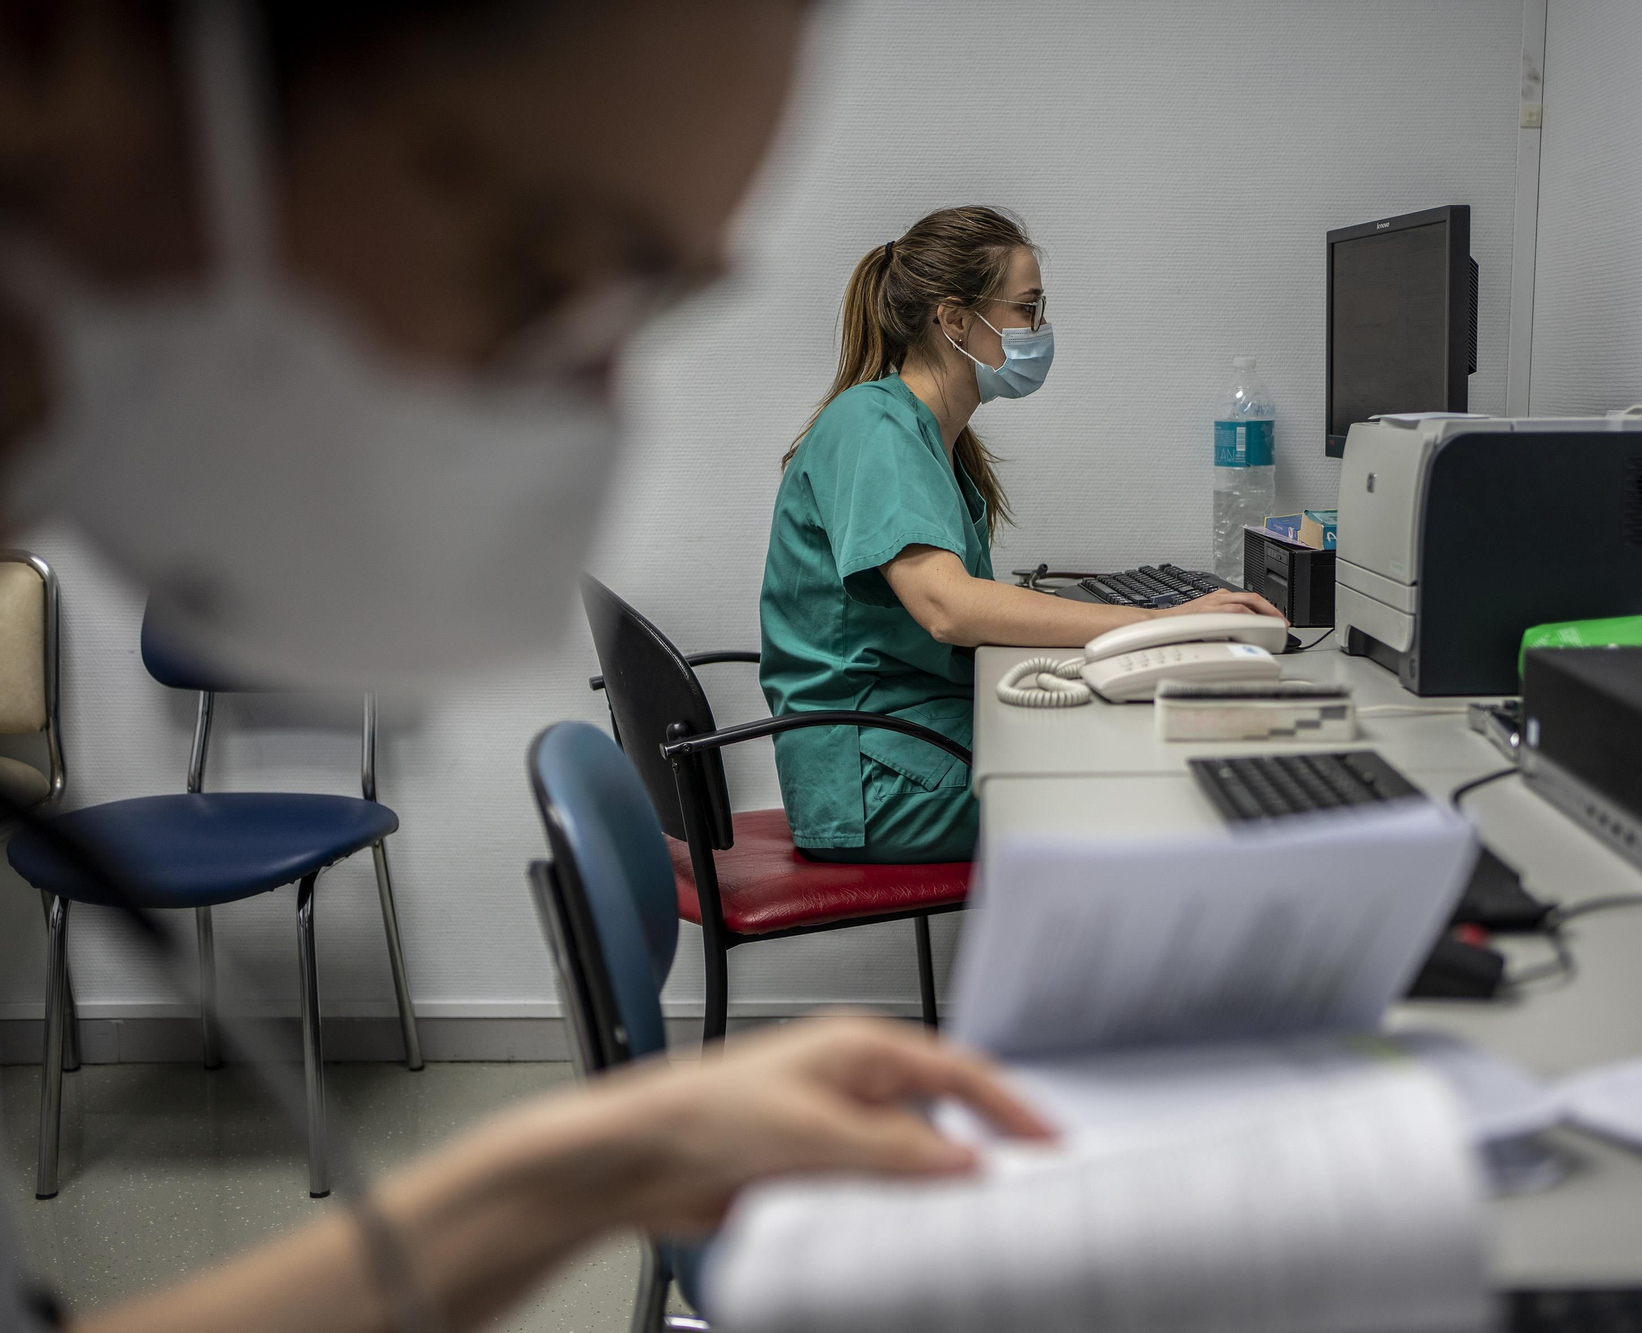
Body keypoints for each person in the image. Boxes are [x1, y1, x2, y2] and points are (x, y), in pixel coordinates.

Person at [0, 3, 1052, 1331]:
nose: (594, 414)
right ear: (49, 59)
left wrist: (589, 1177)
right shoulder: (878, 429)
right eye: (546, 272)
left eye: (651, 305)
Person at [758, 205, 1284, 864]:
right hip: (874, 775)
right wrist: (1155, 623)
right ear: (953, 319)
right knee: (1140, 793)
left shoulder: (927, 432)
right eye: (1027, 310)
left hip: (910, 735)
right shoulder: (875, 427)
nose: (1041, 330)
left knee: (1123, 750)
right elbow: (948, 607)